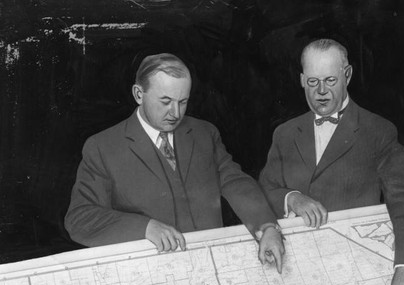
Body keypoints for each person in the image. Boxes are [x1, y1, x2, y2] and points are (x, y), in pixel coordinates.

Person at [65, 53, 284, 272]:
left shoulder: (204, 133)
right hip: (150, 276)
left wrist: (266, 226)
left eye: (183, 102)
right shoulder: (102, 147)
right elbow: (80, 218)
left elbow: (235, 182)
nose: (176, 113)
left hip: (213, 270)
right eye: (166, 101)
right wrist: (145, 228)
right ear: (138, 94)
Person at [259, 39, 404, 285]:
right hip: (292, 275)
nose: (321, 92)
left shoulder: (378, 131)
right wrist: (293, 198)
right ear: (301, 80)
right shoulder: (285, 133)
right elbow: (265, 188)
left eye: (330, 80)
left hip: (353, 275)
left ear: (347, 75)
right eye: (312, 82)